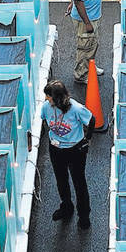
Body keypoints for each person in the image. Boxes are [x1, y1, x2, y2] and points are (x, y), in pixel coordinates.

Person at [42, 81, 94, 229]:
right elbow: (44, 120)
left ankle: (84, 215)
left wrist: (87, 139)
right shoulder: (46, 107)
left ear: (57, 98)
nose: (46, 98)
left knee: (79, 183)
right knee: (61, 180)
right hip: (56, 150)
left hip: (75, 151)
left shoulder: (76, 109)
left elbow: (91, 120)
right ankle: (66, 207)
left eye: (49, 96)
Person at [68, 0, 103, 85]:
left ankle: (90, 66)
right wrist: (87, 23)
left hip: (93, 16)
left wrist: (71, 2)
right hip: (86, 20)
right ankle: (81, 75)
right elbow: (79, 1)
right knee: (85, 47)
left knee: (92, 44)